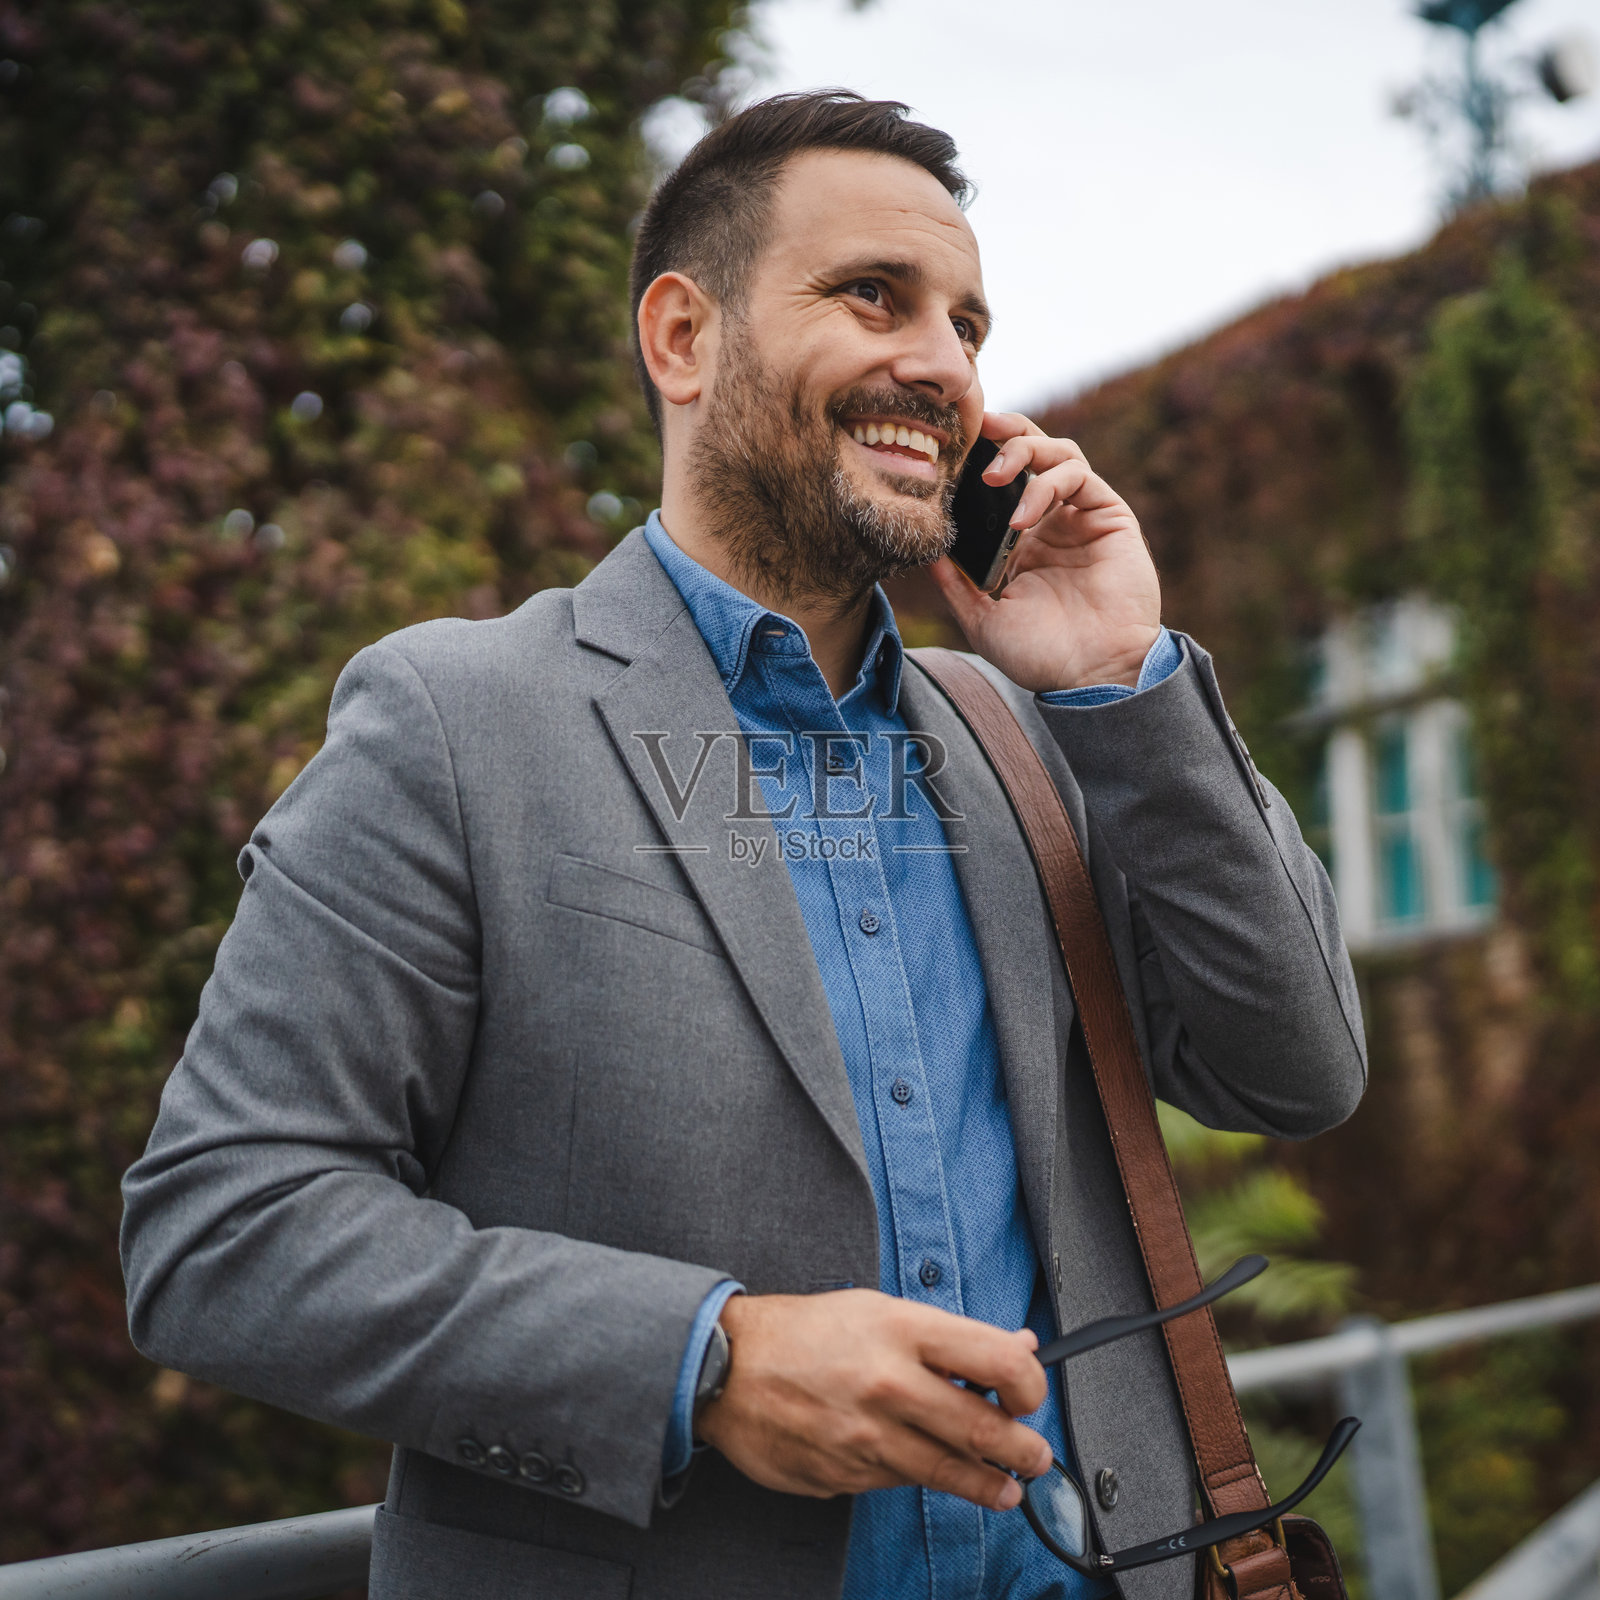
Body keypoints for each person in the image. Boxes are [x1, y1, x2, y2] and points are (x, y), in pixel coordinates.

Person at [120, 92, 1366, 1600]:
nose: (944, 364)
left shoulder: (1033, 733)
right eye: (874, 296)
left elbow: (1294, 1069)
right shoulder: (452, 721)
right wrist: (707, 1362)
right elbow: (225, 1228)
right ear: (682, 339)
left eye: (968, 324)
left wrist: (1122, 677)